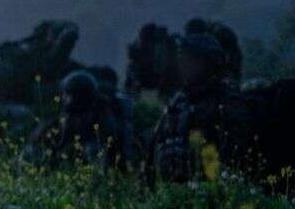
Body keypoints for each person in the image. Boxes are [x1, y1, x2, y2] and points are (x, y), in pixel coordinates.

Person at [149, 32, 254, 184]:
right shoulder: (178, 102)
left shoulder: (227, 101)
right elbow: (155, 149)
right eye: (183, 58)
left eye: (191, 59)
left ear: (209, 63)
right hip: (171, 196)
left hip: (209, 196)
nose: (184, 64)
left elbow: (237, 156)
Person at [22, 70, 137, 170]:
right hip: (69, 166)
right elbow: (42, 136)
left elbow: (103, 147)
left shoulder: (102, 117)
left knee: (92, 151)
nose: (63, 98)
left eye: (67, 95)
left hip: (94, 167)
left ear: (76, 97)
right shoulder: (68, 116)